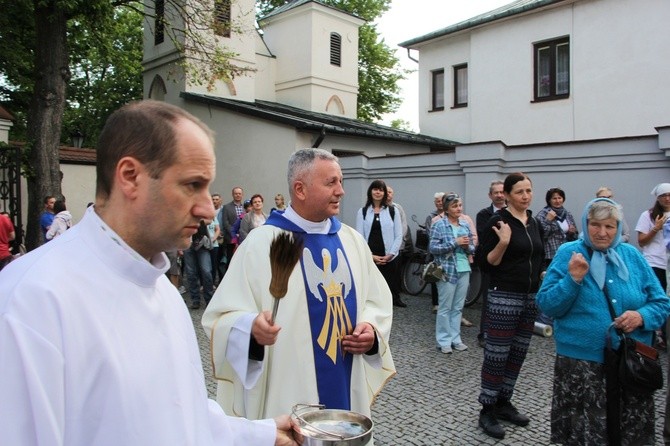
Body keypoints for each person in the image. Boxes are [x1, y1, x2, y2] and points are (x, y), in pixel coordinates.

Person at [0, 100, 299, 445]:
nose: (205, 208)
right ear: (130, 177)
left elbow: (180, 420)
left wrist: (262, 434)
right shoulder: (29, 302)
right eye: (192, 185)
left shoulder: (165, 294)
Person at [202, 148, 395, 423]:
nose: (341, 191)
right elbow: (220, 319)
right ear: (300, 189)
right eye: (331, 183)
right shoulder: (262, 244)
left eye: (341, 181)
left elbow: (376, 302)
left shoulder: (352, 241)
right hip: (288, 389)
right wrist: (251, 328)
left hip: (344, 376)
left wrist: (371, 331)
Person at [537, 198, 670, 445]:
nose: (602, 232)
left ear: (618, 227)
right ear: (586, 225)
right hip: (582, 365)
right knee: (586, 433)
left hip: (631, 364)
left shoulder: (631, 255)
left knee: (629, 431)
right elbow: (546, 304)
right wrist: (573, 279)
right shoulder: (569, 252)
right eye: (595, 225)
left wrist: (641, 316)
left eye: (609, 226)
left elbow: (661, 302)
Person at [476, 172, 544, 440]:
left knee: (517, 354)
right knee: (497, 355)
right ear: (506, 194)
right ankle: (487, 408)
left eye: (529, 191)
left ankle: (504, 402)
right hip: (504, 295)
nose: (526, 196)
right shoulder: (498, 221)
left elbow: (536, 256)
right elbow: (485, 262)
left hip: (530, 296)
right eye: (520, 192)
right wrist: (503, 242)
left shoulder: (534, 222)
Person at [429, 193, 475, 354]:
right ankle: (443, 340)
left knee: (458, 307)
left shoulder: (464, 225)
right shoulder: (439, 225)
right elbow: (433, 248)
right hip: (447, 270)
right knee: (445, 307)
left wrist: (467, 247)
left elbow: (472, 248)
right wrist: (454, 242)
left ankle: (456, 339)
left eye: (460, 205)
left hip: (464, 269)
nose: (458, 209)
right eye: (455, 206)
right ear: (447, 208)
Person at [356, 179, 406, 307]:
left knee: (388, 290)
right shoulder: (362, 212)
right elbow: (360, 236)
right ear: (370, 191)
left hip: (389, 258)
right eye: (375, 189)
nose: (378, 192)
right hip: (370, 257)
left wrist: (390, 254)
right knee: (371, 291)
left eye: (380, 190)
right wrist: (370, 256)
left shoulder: (392, 211)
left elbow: (398, 235)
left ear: (384, 193)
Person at [475, 180, 506, 348]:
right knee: (488, 299)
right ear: (490, 195)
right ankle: (484, 334)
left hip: (508, 263)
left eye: (502, 192)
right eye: (496, 192)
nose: (500, 195)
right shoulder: (484, 214)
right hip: (489, 261)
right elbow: (484, 236)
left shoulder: (514, 213)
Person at [535, 187, 578, 271]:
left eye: (559, 198)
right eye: (554, 198)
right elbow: (540, 236)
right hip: (550, 256)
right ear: (549, 200)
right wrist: (548, 221)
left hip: (566, 253)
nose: (557, 201)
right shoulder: (543, 214)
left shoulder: (567, 214)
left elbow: (575, 236)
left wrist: (572, 233)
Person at [184, 219, 215, 310]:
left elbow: (209, 220)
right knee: (191, 273)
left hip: (201, 243)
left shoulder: (199, 208)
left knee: (206, 271)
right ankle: (195, 300)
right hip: (187, 243)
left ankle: (209, 300)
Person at [426, 192, 445, 313]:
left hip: (448, 250)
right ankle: (436, 303)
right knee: (435, 276)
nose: (440, 203)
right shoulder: (431, 216)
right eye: (437, 201)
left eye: (441, 200)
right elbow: (429, 233)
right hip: (435, 251)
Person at [219, 186, 245, 270]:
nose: (237, 195)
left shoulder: (245, 207)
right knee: (231, 260)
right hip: (231, 239)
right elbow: (225, 223)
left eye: (239, 193)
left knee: (242, 261)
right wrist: (234, 235)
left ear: (242, 195)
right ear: (232, 195)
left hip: (243, 238)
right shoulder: (226, 207)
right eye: (236, 193)